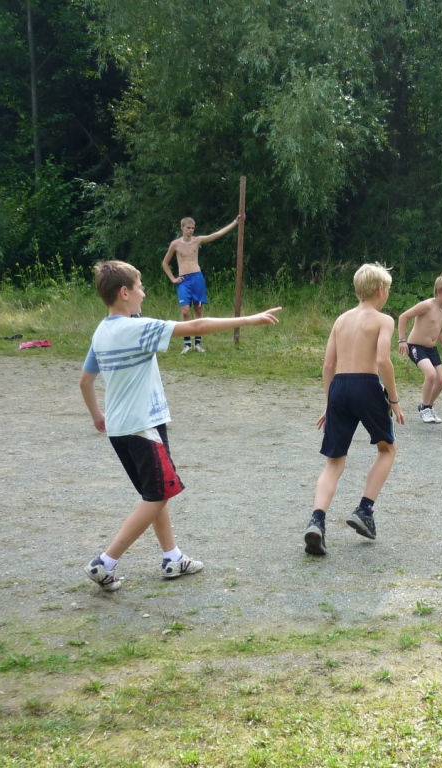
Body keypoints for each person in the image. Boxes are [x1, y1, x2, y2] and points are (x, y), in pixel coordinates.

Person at [80, 260, 281, 590]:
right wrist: (249, 319)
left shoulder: (102, 331)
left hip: (120, 429)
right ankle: (105, 562)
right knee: (158, 494)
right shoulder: (136, 329)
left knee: (155, 493)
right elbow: (197, 326)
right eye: (140, 287)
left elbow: (85, 381)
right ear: (124, 292)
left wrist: (97, 416)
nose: (144, 293)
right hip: (143, 427)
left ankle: (172, 557)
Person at [303, 263, 406, 556]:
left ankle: (317, 521)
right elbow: (383, 361)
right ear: (380, 291)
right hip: (366, 386)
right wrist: (394, 400)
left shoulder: (341, 320)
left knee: (334, 461)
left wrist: (329, 404)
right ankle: (364, 510)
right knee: (387, 449)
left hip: (339, 387)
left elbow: (328, 365)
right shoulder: (384, 320)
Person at [161, 214, 241, 353]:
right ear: (182, 228)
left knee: (198, 309)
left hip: (197, 277)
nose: (191, 230)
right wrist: (173, 278)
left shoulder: (197, 240)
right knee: (185, 311)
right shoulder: (176, 244)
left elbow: (217, 234)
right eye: (188, 228)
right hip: (183, 279)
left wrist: (235, 222)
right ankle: (187, 343)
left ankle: (198, 343)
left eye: (192, 228)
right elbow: (165, 263)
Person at [397, 272, 442, 423]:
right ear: (439, 292)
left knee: (441, 382)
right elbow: (403, 317)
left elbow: (440, 331)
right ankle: (425, 410)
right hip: (416, 347)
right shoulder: (426, 305)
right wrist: (402, 340)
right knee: (431, 374)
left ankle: (427, 406)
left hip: (431, 349)